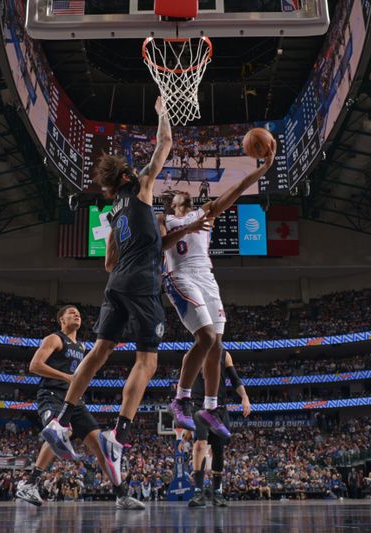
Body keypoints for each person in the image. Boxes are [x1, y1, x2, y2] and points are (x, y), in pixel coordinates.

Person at [41, 96, 171, 492]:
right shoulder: (144, 185)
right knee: (147, 361)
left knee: (100, 351)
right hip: (142, 281)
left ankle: (62, 422)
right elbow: (165, 143)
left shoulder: (115, 212)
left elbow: (108, 264)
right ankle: (119, 434)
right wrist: (163, 109)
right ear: (129, 174)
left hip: (115, 285)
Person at [163, 143, 275, 437]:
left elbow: (237, 189)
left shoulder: (207, 211)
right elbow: (159, 247)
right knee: (206, 336)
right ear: (171, 201)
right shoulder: (163, 219)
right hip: (179, 274)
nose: (182, 192)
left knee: (217, 345)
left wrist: (262, 169)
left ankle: (210, 407)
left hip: (206, 277)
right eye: (177, 192)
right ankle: (181, 399)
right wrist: (189, 228)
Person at [17, 305, 143, 510]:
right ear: (61, 320)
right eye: (71, 312)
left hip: (75, 400)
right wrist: (65, 376)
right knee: (57, 432)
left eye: (78, 313)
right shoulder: (54, 339)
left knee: (100, 444)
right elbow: (34, 365)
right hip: (52, 395)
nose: (76, 314)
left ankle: (121, 494)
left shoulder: (82, 347)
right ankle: (30, 484)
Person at [188, 351, 250, 508]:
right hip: (198, 405)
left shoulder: (224, 354)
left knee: (218, 449)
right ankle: (198, 491)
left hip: (219, 407)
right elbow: (183, 384)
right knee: (200, 444)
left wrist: (244, 396)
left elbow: (235, 379)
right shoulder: (191, 354)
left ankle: (217, 492)